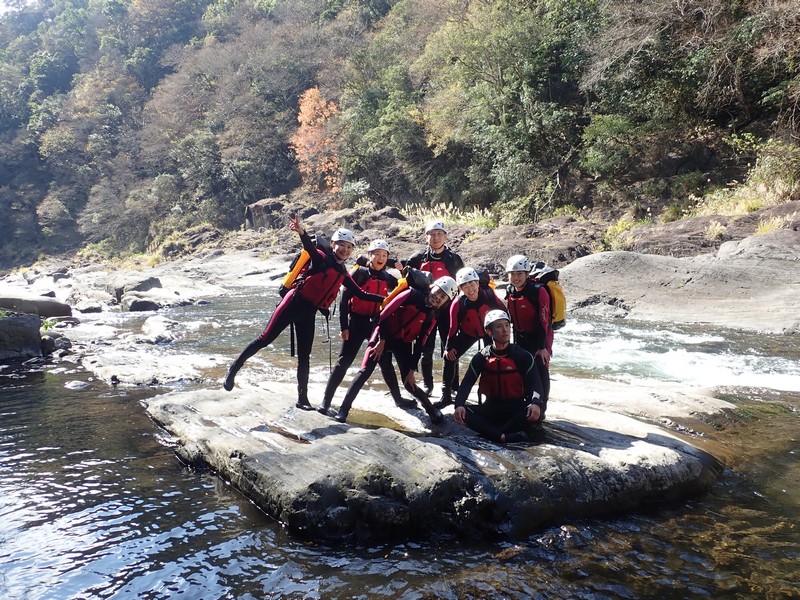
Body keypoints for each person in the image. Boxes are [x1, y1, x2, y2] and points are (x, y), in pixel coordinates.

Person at [222, 215, 386, 410]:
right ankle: (233, 370)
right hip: (293, 302)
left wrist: (386, 300)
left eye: (350, 247)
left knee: (304, 356)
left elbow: (360, 293)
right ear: (333, 244)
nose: (345, 250)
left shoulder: (342, 271)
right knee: (264, 339)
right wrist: (301, 232)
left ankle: (303, 399)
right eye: (342, 245)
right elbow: (309, 247)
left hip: (308, 313)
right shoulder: (321, 259)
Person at [332, 275, 459, 425]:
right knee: (365, 371)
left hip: (403, 344)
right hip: (382, 336)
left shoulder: (433, 314)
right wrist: (381, 341)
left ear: (446, 302)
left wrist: (412, 370)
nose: (437, 297)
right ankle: (343, 410)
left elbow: (421, 342)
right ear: (432, 287)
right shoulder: (411, 294)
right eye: (438, 292)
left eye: (443, 297)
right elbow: (382, 315)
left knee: (409, 383)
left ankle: (432, 411)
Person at [318, 239, 416, 414]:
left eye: (384, 255)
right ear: (369, 256)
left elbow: (406, 288)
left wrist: (403, 270)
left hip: (376, 325)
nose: (380, 258)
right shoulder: (359, 273)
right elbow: (344, 300)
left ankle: (398, 399)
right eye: (377, 254)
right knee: (344, 362)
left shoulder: (388, 278)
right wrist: (343, 327)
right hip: (356, 322)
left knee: (385, 362)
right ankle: (326, 402)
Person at [452, 310, 545, 444]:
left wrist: (536, 403)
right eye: (499, 326)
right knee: (463, 412)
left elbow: (536, 383)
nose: (505, 330)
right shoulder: (481, 357)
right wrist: (459, 405)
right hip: (491, 407)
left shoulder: (522, 356)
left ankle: (494, 433)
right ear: (489, 332)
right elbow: (467, 383)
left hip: (517, 407)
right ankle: (503, 436)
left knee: (536, 414)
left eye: (507, 326)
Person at [405, 220, 464, 399]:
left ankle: (453, 386)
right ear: (426, 237)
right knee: (426, 347)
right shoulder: (417, 258)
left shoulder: (454, 259)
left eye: (439, 234)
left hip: (448, 309)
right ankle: (428, 384)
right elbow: (407, 281)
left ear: (445, 237)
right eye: (432, 234)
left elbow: (463, 283)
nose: (436, 238)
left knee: (450, 347)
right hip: (426, 308)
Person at [435, 267, 507, 409]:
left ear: (478, 283)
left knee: (494, 361)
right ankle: (446, 395)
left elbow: (503, 313)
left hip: (488, 333)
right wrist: (449, 348)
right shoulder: (458, 303)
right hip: (468, 334)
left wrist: (503, 337)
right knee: (449, 358)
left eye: (472, 284)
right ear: (460, 288)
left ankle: (494, 395)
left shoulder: (488, 295)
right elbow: (452, 328)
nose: (470, 289)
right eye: (465, 286)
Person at [504, 254, 552, 416]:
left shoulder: (538, 291)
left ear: (526, 274)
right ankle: (526, 402)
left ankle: (542, 407)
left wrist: (542, 347)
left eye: (519, 274)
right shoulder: (510, 290)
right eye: (512, 274)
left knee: (540, 367)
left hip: (541, 336)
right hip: (521, 336)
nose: (515, 277)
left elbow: (544, 321)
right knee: (522, 367)